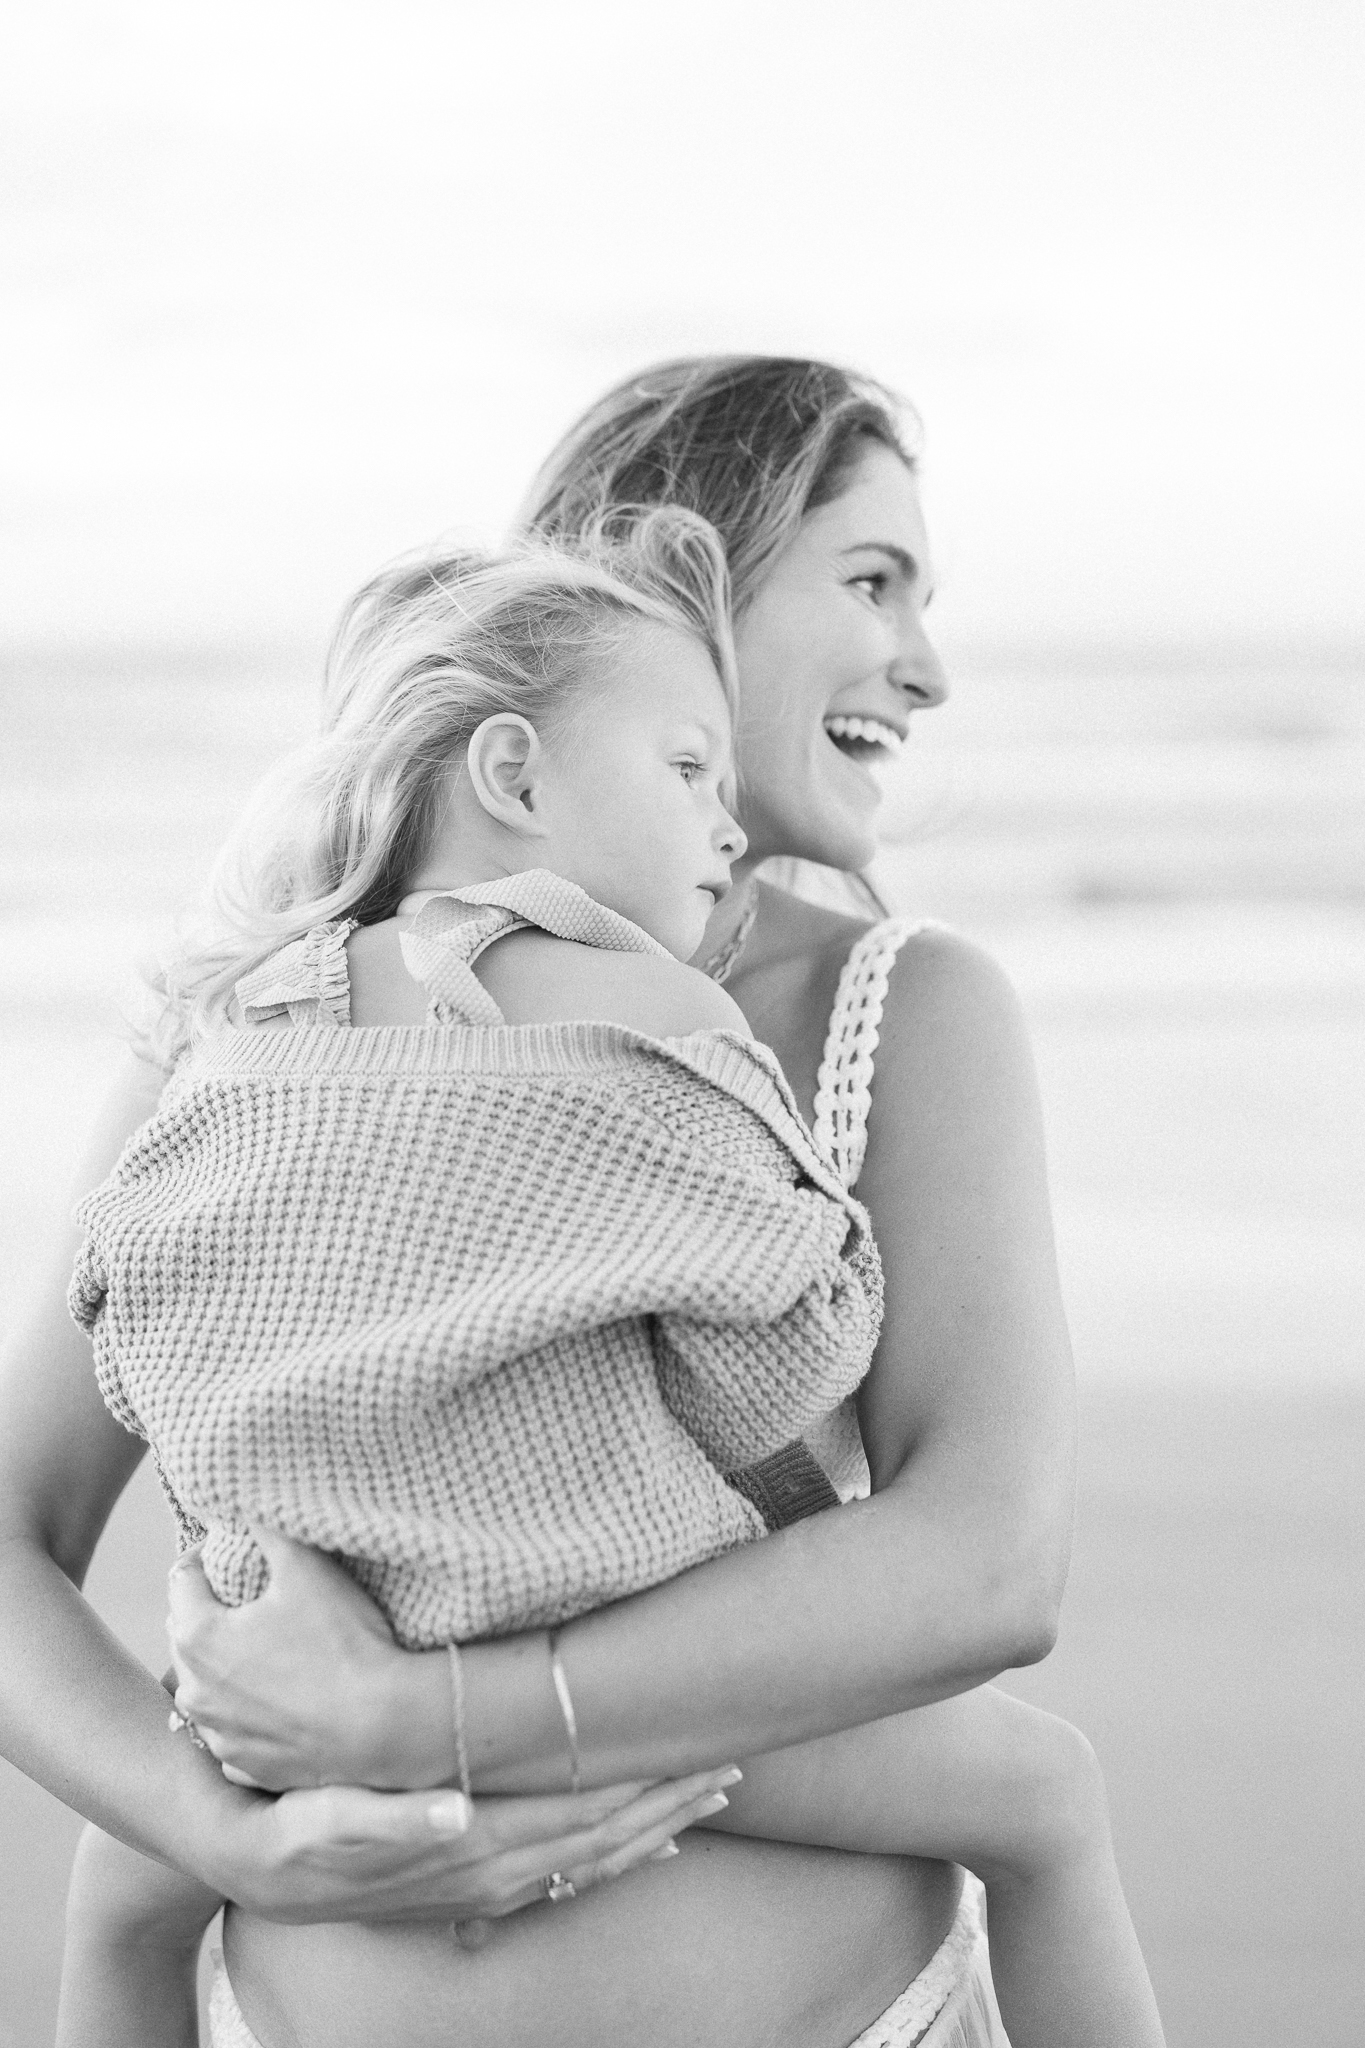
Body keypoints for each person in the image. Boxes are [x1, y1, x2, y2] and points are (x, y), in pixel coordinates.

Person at [0, 356, 1148, 2048]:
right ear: (674, 581)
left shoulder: (902, 1010)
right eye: (870, 580)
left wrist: (424, 1720)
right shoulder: (254, 1005)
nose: (926, 667)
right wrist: (213, 1831)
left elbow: (985, 1567)